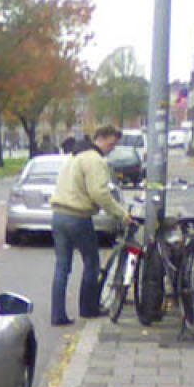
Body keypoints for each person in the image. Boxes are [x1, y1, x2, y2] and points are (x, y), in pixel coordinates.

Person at [48, 124, 131, 326]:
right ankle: (88, 309)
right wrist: (121, 214)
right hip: (77, 216)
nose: (112, 149)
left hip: (58, 216)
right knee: (91, 262)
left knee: (62, 266)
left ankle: (57, 314)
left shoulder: (74, 155)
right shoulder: (95, 159)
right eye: (111, 144)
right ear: (101, 138)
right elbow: (99, 193)